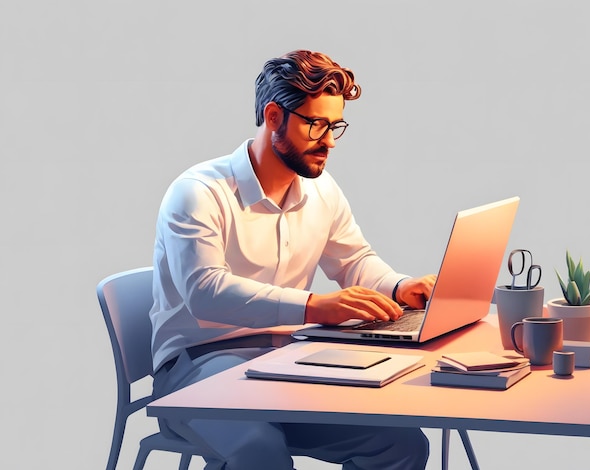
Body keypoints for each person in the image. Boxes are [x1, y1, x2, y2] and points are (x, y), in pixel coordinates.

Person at [150, 49, 436, 470]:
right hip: (195, 369)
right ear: (273, 116)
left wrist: (398, 286)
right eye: (316, 124)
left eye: (335, 125)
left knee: (401, 445)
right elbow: (205, 293)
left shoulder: (322, 191)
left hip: (285, 362)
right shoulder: (198, 193)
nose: (330, 141)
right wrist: (314, 307)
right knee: (258, 452)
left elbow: (353, 259)